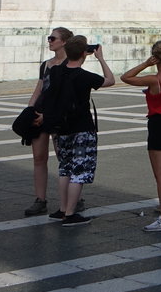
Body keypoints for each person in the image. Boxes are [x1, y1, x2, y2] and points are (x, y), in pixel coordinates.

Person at [34, 36, 114, 226]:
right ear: (84, 54)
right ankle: (70, 214)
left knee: (65, 169)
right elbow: (110, 80)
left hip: (61, 129)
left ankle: (62, 209)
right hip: (81, 128)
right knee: (79, 170)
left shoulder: (55, 72)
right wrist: (101, 58)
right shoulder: (85, 76)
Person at [120, 41, 161, 231]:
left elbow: (126, 77)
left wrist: (145, 64)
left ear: (155, 56)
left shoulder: (153, 80)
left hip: (159, 125)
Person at [24, 27, 75, 217]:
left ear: (64, 42)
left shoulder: (71, 64)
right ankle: (40, 199)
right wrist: (29, 111)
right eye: (49, 38)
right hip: (40, 113)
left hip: (58, 116)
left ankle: (73, 198)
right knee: (39, 158)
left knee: (64, 158)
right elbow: (38, 89)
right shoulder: (46, 65)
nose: (50, 41)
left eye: (53, 38)